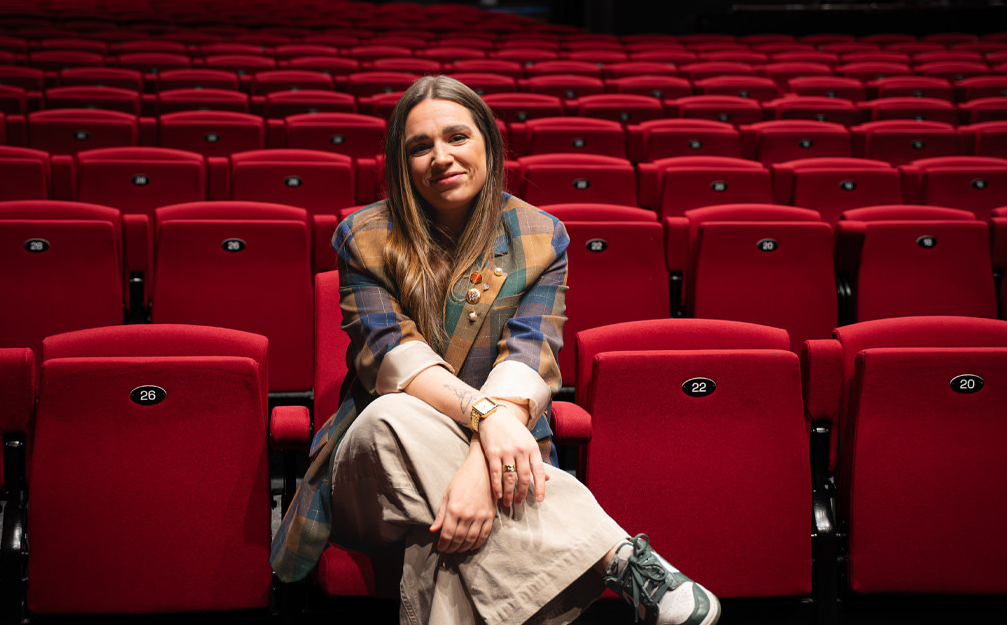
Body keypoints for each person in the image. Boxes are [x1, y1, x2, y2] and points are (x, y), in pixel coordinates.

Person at [272, 75, 721, 625]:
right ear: (401, 163)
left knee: (441, 549)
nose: (441, 157)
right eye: (420, 147)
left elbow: (530, 354)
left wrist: (476, 472)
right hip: (374, 466)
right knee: (393, 415)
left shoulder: (540, 235)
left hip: (496, 460)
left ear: (487, 142)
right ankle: (618, 557)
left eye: (457, 137)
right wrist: (489, 425)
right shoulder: (364, 236)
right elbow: (395, 357)